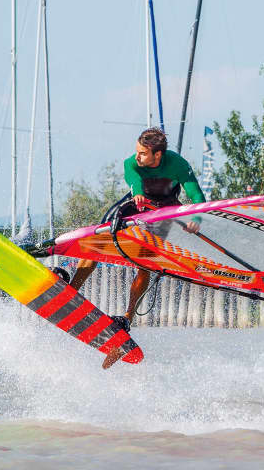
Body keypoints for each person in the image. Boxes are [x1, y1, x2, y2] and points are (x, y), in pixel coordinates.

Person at [63, 127, 206, 330]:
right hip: (136, 202)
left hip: (164, 210)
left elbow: (197, 197)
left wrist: (196, 219)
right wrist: (138, 193)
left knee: (144, 262)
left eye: (143, 153)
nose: (137, 156)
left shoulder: (178, 164)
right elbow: (134, 179)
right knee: (96, 241)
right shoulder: (132, 161)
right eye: (137, 151)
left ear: (157, 155)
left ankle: (127, 319)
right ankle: (70, 294)